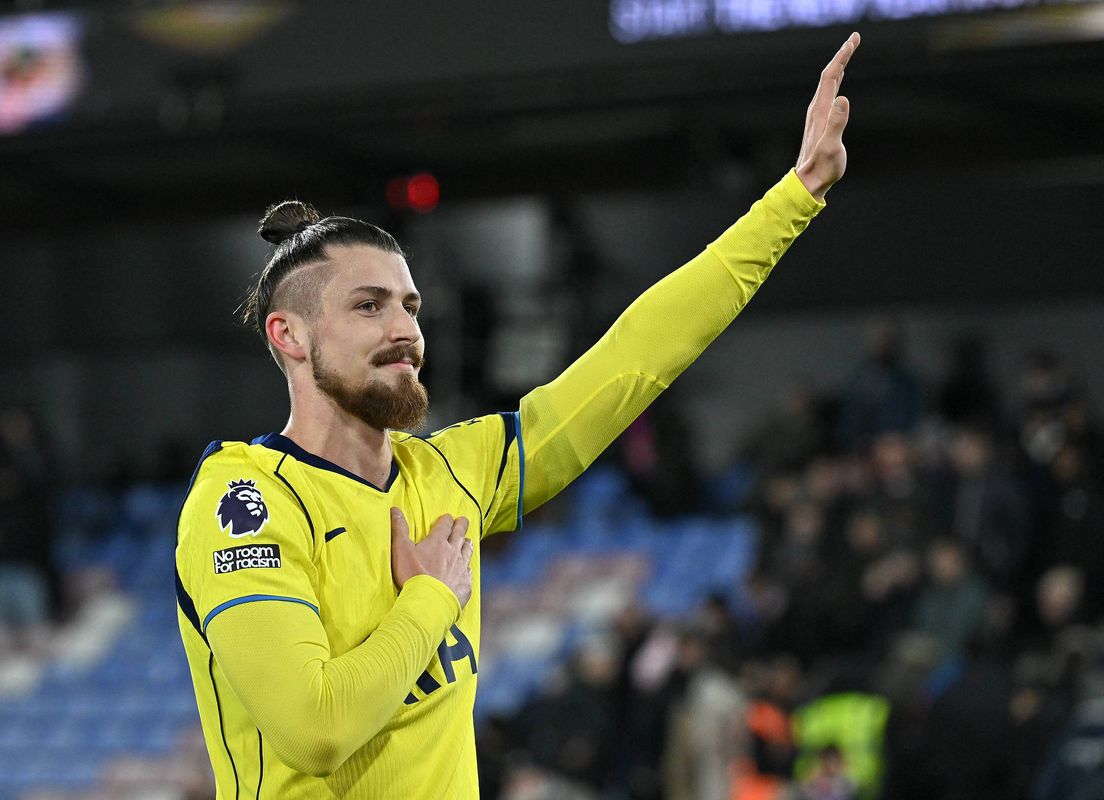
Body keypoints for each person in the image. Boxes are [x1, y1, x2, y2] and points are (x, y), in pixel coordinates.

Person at [175, 32, 862, 799]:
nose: (404, 328)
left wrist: (794, 197)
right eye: (367, 307)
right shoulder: (247, 500)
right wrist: (430, 600)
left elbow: (635, 358)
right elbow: (317, 730)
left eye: (411, 306)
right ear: (290, 335)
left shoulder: (454, 475)